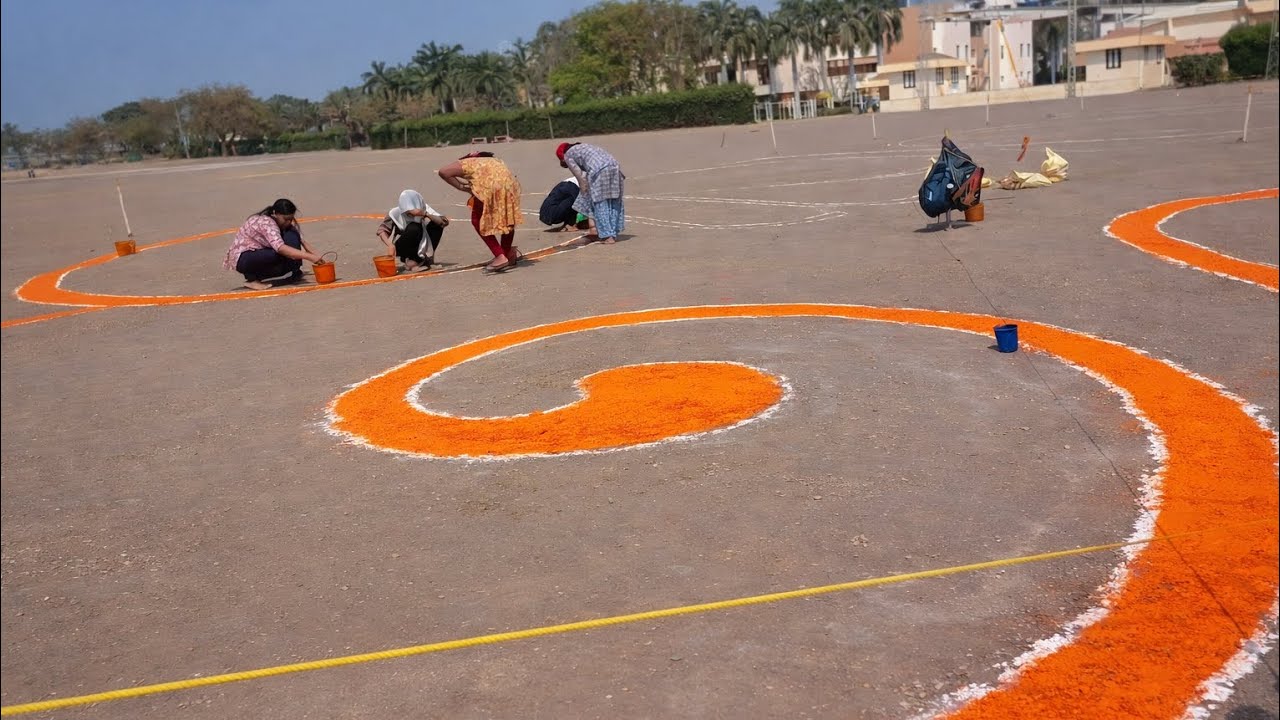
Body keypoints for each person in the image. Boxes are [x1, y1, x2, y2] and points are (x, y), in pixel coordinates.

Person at [437, 151, 524, 274]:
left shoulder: (468, 162)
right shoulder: (494, 161)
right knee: (507, 219)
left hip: (489, 188)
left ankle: (500, 256)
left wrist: (461, 187)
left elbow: (444, 172)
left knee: (477, 219)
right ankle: (507, 253)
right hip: (510, 185)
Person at [223, 198, 325, 290]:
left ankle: (294, 270)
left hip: (258, 252)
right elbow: (280, 248)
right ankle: (252, 279)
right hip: (243, 258)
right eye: (285, 219)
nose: (288, 222)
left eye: (291, 219)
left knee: (292, 234)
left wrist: (318, 257)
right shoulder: (267, 223)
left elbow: (302, 241)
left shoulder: (282, 223)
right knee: (277, 254)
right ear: (275, 213)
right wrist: (309, 257)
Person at [556, 142, 625, 244]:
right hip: (615, 167)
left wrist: (584, 196)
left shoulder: (567, 156)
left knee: (599, 202)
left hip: (599, 171)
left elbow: (580, 177)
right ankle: (611, 232)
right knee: (613, 200)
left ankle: (607, 236)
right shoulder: (584, 147)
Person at [376, 189, 449, 272]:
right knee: (414, 227)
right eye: (408, 213)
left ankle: (426, 260)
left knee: (436, 225)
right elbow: (382, 231)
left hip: (422, 240)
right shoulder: (394, 213)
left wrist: (425, 214)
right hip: (404, 245)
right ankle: (411, 260)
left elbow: (444, 222)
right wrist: (390, 245)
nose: (410, 215)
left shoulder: (424, 208)